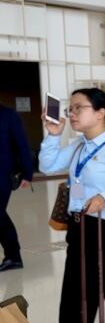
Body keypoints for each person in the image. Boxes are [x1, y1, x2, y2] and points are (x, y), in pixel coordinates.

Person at [39, 88, 105, 322]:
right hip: (79, 231)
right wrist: (53, 135)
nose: (73, 113)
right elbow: (48, 166)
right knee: (75, 306)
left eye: (79, 107)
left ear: (100, 113)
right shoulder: (79, 146)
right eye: (71, 108)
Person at [0, 104, 33, 272]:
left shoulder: (8, 115)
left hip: (2, 175)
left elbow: (22, 143)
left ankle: (13, 256)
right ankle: (13, 256)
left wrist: (27, 173)